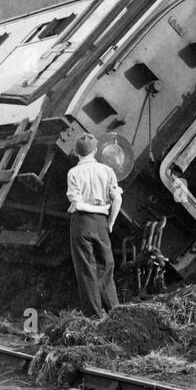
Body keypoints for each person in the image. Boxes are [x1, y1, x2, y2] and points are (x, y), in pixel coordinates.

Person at [67, 134, 123, 317]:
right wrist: (111, 222)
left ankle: (94, 317)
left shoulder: (73, 173)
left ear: (76, 152)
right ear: (96, 151)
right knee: (106, 266)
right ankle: (115, 312)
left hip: (81, 222)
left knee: (86, 270)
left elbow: (76, 202)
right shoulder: (107, 171)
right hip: (101, 221)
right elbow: (117, 199)